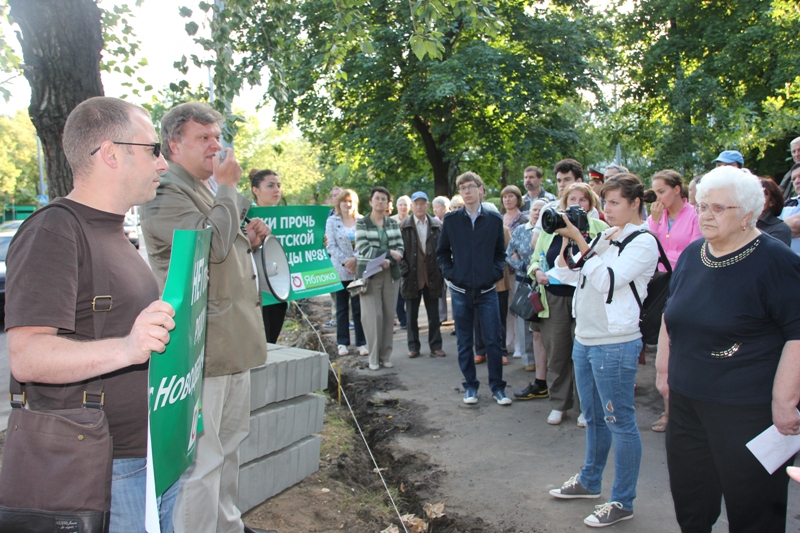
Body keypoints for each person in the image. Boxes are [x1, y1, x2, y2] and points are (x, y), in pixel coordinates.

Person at [5, 96, 178, 532]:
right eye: (153, 150)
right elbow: (27, 356)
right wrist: (127, 347)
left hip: (145, 457)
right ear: (110, 153)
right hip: (107, 468)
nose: (162, 165)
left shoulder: (113, 231)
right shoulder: (54, 230)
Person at [140, 102, 271, 533]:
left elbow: (223, 251)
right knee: (203, 459)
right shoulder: (164, 191)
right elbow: (208, 246)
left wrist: (246, 239)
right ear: (174, 145)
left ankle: (227, 527)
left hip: (230, 343)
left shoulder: (201, 188)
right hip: (203, 348)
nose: (217, 146)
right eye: (205, 138)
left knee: (229, 449)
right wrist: (229, 191)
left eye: (218, 136)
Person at [656, 166, 800, 532]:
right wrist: (663, 373)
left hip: (746, 409)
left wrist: (785, 402)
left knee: (753, 508)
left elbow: (798, 334)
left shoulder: (778, 262)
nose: (705, 215)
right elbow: (671, 315)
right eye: (703, 205)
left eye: (718, 208)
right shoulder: (692, 255)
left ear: (749, 215)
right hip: (687, 403)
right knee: (691, 500)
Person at [548, 173, 658, 529]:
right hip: (587, 338)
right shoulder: (607, 234)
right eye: (605, 201)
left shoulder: (643, 242)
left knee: (620, 422)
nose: (605, 209)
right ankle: (590, 481)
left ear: (635, 203)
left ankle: (622, 500)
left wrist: (581, 238)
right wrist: (569, 243)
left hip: (616, 343)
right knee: (594, 418)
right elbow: (568, 274)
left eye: (613, 203)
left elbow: (609, 281)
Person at [529, 182, 608, 426]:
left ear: (590, 203)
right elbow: (535, 260)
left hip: (587, 297)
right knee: (558, 355)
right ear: (564, 204)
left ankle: (587, 407)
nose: (577, 204)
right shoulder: (551, 227)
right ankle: (559, 404)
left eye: (582, 200)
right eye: (571, 199)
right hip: (555, 299)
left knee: (585, 356)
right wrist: (536, 271)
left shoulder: (600, 228)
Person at [437, 171, 512, 406]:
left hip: (487, 290)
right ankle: (470, 386)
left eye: (471, 187)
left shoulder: (493, 220)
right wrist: (451, 274)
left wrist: (494, 273)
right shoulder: (451, 221)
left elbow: (501, 254)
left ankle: (498, 388)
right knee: (464, 341)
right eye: (462, 188)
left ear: (481, 189)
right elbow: (442, 254)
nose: (467, 192)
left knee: (493, 341)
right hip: (460, 291)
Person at [646, 169, 702, 433]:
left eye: (661, 191)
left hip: (688, 287)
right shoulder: (658, 217)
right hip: (662, 287)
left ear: (677, 190)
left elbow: (694, 252)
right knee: (664, 347)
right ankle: (668, 410)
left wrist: (666, 257)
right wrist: (655, 224)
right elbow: (647, 249)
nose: (657, 197)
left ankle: (690, 410)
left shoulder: (695, 216)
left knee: (684, 347)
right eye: (655, 192)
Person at [356, 186, 405, 370]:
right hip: (370, 274)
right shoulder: (362, 223)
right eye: (377, 198)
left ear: (387, 203)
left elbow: (400, 247)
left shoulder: (392, 223)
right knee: (372, 316)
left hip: (391, 273)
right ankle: (373, 357)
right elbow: (363, 248)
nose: (380, 202)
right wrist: (387, 254)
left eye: (384, 199)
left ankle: (385, 356)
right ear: (370, 201)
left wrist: (392, 256)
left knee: (387, 315)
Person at [400, 191, 445, 358]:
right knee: (411, 315)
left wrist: (441, 270)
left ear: (427, 205)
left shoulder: (436, 225)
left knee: (434, 314)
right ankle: (413, 347)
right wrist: (403, 269)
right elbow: (398, 251)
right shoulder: (403, 226)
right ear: (412, 206)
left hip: (432, 275)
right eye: (416, 203)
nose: (419, 206)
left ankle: (436, 346)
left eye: (422, 203)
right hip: (411, 276)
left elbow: (442, 250)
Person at [326, 188, 369, 357]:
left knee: (359, 308)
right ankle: (342, 342)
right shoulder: (332, 221)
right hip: (340, 269)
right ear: (339, 203)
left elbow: (366, 243)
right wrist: (346, 261)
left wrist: (355, 259)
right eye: (344, 201)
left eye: (350, 201)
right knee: (342, 308)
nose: (347, 204)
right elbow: (330, 245)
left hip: (358, 269)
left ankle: (362, 343)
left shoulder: (362, 221)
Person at [507, 198, 547, 377]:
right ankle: (528, 359)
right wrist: (523, 266)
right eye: (535, 210)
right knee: (524, 320)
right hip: (524, 280)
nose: (537, 213)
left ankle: (545, 360)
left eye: (541, 210)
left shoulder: (549, 231)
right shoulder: (520, 231)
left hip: (544, 281)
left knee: (543, 322)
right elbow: (509, 255)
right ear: (529, 212)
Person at [250, 169, 287, 344]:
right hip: (258, 294)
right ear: (255, 190)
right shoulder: (246, 217)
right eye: (270, 185)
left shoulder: (288, 220)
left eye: (278, 185)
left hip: (279, 291)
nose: (276, 190)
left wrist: (317, 241)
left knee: (271, 341)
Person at [501, 185, 529, 357]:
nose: (507, 199)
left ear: (518, 199)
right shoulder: (499, 218)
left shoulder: (523, 219)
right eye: (505, 197)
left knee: (517, 307)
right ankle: (508, 342)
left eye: (511, 196)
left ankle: (520, 345)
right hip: (501, 271)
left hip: (517, 270)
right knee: (505, 309)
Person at [432, 196, 450, 323]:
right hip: (438, 259)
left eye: (437, 207)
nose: (434, 210)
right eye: (433, 207)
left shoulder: (452, 220)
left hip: (452, 259)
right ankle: (441, 316)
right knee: (440, 290)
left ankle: (457, 319)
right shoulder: (433, 222)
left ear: (444, 207)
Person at [758, 178, 791, 246]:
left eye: (764, 194)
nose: (757, 197)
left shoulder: (780, 229)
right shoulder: (740, 223)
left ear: (772, 202)